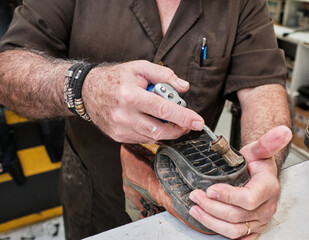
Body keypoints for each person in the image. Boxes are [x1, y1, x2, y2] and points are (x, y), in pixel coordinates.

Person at [0, 0, 292, 239]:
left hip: (195, 209)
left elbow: (262, 85)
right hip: (96, 199)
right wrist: (84, 87)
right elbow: (8, 69)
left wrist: (263, 161)